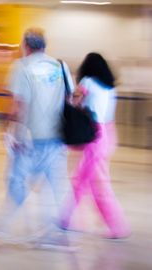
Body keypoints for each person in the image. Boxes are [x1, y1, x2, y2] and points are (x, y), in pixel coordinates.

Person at [0, 28, 74, 249]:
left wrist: (8, 130)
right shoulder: (60, 66)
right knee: (52, 186)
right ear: (44, 45)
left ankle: (2, 224)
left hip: (30, 138)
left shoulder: (21, 66)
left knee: (17, 180)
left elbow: (17, 104)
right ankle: (51, 235)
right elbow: (71, 98)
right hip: (56, 137)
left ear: (26, 45)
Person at [60, 53, 130, 239]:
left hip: (94, 137)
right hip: (106, 135)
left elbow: (74, 102)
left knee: (89, 183)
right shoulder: (110, 88)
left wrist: (69, 99)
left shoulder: (88, 82)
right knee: (87, 182)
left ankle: (117, 227)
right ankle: (66, 220)